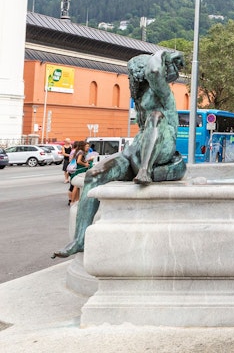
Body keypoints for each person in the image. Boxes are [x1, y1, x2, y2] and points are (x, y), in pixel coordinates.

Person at [53, 50, 187, 258]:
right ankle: (80, 239)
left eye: (133, 73)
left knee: (156, 116)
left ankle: (145, 170)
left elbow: (154, 70)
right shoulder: (141, 96)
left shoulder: (163, 93)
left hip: (163, 146)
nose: (131, 78)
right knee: (93, 175)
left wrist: (162, 53)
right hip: (137, 148)